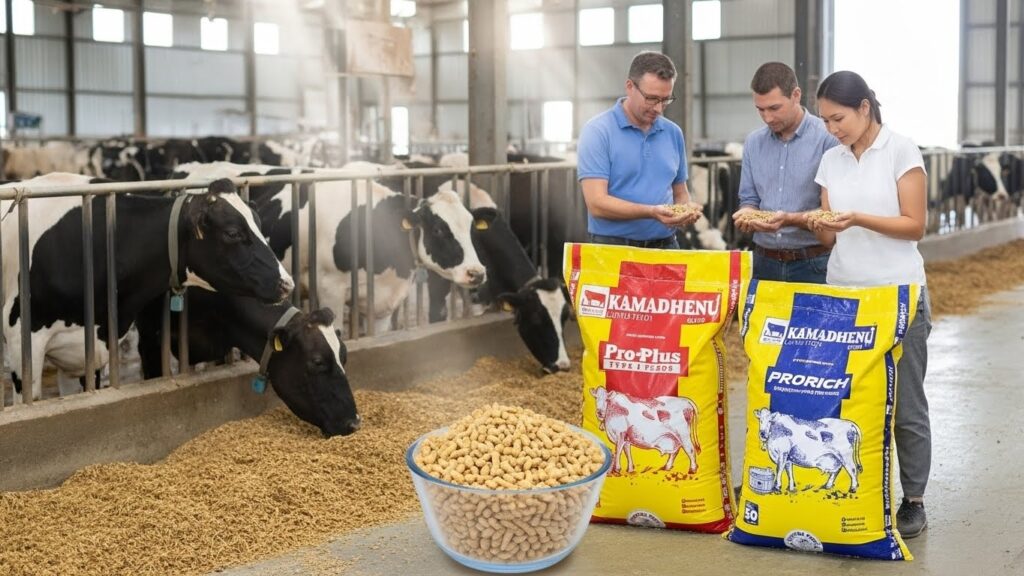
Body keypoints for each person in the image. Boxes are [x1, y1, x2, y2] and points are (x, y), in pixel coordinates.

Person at [807, 70, 932, 538]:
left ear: (864, 108)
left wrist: (857, 216)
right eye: (824, 120)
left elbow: (915, 225)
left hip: (899, 294)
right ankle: (853, 489)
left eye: (837, 117)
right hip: (845, 294)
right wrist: (814, 221)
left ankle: (914, 499)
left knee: (906, 403)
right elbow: (827, 236)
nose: (831, 128)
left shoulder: (901, 149)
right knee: (846, 400)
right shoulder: (832, 161)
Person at [577, 51, 701, 249]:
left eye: (665, 99)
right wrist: (652, 212)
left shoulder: (673, 132)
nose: (658, 108)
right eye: (651, 98)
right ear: (629, 87)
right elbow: (597, 203)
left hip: (666, 248)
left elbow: (680, 192)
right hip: (613, 249)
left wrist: (685, 210)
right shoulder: (598, 131)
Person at [732, 62, 840, 282]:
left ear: (796, 95)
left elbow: (834, 210)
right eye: (760, 109)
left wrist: (790, 219)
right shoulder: (753, 142)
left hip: (813, 264)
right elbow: (749, 199)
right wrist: (748, 215)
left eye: (774, 108)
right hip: (763, 262)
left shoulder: (828, 139)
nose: (767, 118)